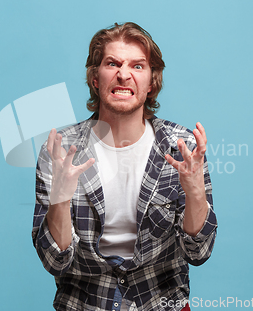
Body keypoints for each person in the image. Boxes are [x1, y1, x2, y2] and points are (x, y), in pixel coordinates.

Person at [32, 22, 217, 311]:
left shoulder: (182, 147)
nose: (124, 74)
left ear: (151, 82)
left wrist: (195, 192)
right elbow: (54, 260)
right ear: (95, 78)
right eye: (112, 63)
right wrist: (60, 197)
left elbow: (199, 251)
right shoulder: (60, 151)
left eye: (138, 66)